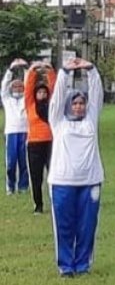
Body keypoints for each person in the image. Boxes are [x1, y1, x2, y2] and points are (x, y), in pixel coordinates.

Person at [48, 57, 104, 277]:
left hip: (90, 181)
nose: (79, 107)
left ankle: (83, 263)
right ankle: (65, 265)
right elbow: (57, 97)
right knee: (64, 225)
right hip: (62, 182)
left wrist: (90, 68)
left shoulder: (91, 120)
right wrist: (64, 72)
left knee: (87, 225)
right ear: (68, 106)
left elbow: (97, 93)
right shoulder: (58, 122)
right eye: (75, 103)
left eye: (82, 103)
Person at [24, 61, 56, 214]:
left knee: (54, 175)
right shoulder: (30, 104)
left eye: (45, 92)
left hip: (50, 143)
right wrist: (33, 71)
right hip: (34, 145)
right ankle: (38, 205)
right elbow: (28, 89)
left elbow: (55, 88)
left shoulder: (51, 105)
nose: (42, 95)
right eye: (39, 92)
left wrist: (49, 70)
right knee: (36, 177)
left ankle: (56, 202)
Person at [2, 59, 29, 195]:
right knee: (11, 162)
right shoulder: (7, 100)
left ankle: (23, 186)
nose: (18, 89)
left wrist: (26, 69)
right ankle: (10, 186)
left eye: (20, 87)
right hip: (11, 133)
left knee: (24, 161)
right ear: (11, 89)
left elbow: (30, 84)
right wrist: (11, 70)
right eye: (15, 87)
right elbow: (4, 86)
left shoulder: (26, 99)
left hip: (25, 132)